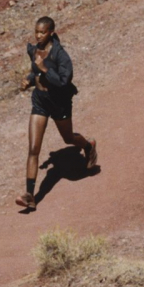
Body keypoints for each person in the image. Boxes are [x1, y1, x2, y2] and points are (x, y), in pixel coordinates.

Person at [16, 16, 95, 211]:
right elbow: (35, 72)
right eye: (36, 31)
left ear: (51, 32)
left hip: (59, 103)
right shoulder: (34, 50)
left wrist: (44, 69)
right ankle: (30, 195)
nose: (38, 35)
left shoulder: (61, 55)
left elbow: (63, 81)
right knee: (34, 148)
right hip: (40, 102)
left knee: (68, 138)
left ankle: (88, 145)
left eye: (42, 32)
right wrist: (29, 80)